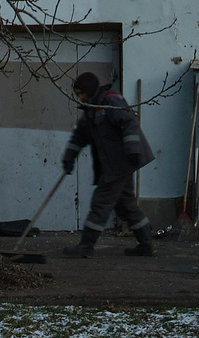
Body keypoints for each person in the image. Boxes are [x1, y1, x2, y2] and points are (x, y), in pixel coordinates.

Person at [60, 70, 156, 256]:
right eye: (77, 94)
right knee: (126, 205)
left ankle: (86, 246)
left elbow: (129, 123)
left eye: (82, 93)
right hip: (115, 164)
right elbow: (79, 136)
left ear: (90, 90)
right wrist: (68, 158)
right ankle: (146, 244)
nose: (80, 97)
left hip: (120, 162)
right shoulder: (91, 109)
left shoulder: (111, 101)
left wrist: (133, 150)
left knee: (101, 203)